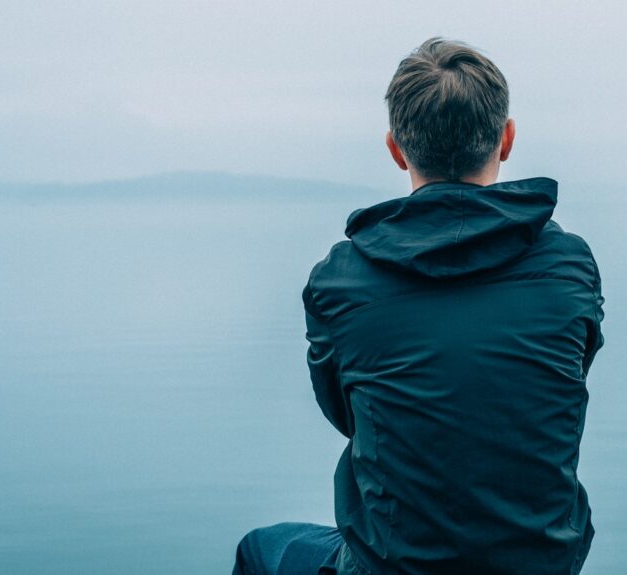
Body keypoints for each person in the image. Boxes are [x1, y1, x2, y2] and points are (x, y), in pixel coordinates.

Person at [234, 37, 604, 575]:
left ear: (396, 148)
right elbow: (552, 385)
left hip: (393, 566)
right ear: (506, 139)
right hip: (542, 563)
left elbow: (347, 415)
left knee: (260, 549)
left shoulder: (341, 282)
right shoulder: (569, 267)